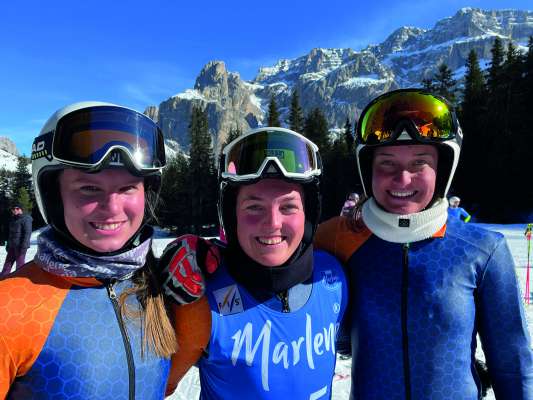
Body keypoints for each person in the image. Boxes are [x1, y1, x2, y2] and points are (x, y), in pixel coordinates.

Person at [315, 89, 533, 399]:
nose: (402, 179)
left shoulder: (482, 249)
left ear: (442, 169)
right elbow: (271, 260)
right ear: (368, 170)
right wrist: (219, 260)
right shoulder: (337, 239)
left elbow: (512, 362)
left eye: (419, 164)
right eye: (386, 163)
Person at [0, 102, 208, 398]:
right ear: (53, 194)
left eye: (127, 189)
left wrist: (192, 301)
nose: (112, 208)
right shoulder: (10, 306)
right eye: (89, 188)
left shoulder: (154, 287)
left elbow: (164, 383)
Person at [160, 127, 348, 399]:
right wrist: (155, 278)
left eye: (288, 207)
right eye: (254, 207)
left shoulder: (333, 278)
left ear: (309, 214)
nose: (272, 223)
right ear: (231, 215)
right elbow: (153, 385)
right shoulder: (201, 298)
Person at [1, 204, 32, 276]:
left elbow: (27, 233)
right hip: (12, 245)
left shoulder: (26, 218)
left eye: (17, 208)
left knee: (20, 265)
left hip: (20, 246)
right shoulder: (13, 219)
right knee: (7, 263)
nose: (15, 210)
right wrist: (8, 244)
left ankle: (20, 279)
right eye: (13, 209)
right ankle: (3, 278)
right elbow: (10, 234)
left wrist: (24, 246)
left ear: (21, 209)